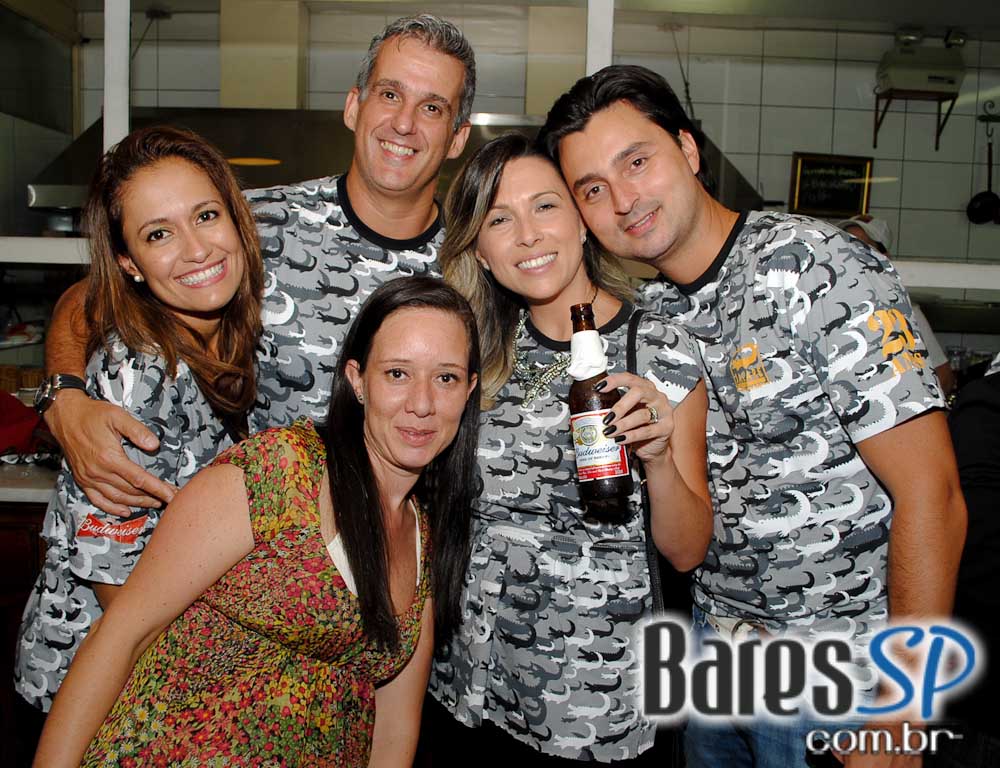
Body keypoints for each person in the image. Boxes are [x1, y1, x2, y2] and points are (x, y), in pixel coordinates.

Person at [538, 65, 967, 767]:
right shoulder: (656, 316)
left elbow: (934, 493)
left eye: (636, 162)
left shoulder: (813, 265)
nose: (622, 199)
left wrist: (905, 704)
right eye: (592, 189)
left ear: (687, 149)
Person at [32, 276, 482, 767]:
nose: (422, 403)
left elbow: (394, 726)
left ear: (470, 389)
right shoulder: (278, 473)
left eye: (446, 378)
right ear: (357, 379)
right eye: (397, 373)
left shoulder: (424, 535)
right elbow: (121, 636)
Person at [37, 13, 476, 516]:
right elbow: (95, 299)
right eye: (390, 94)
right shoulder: (255, 224)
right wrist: (64, 398)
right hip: (259, 545)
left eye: (432, 107)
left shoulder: (474, 266)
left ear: (457, 138)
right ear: (354, 106)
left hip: (405, 546)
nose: (403, 123)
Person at [427, 133, 713, 764]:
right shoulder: (476, 352)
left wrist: (658, 458)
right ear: (481, 251)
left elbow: (688, 549)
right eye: (500, 219)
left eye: (545, 206)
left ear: (582, 222)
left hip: (595, 700)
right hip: (470, 683)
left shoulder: (659, 348)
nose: (528, 235)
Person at [14, 125, 263, 734]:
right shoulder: (138, 376)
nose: (197, 249)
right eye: (159, 234)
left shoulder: (226, 335)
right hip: (101, 706)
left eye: (206, 215)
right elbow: (119, 599)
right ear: (128, 263)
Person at [837, 214, 957, 396]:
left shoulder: (904, 309)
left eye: (861, 246)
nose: (850, 252)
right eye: (844, 244)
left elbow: (944, 378)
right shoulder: (823, 303)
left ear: (883, 257)